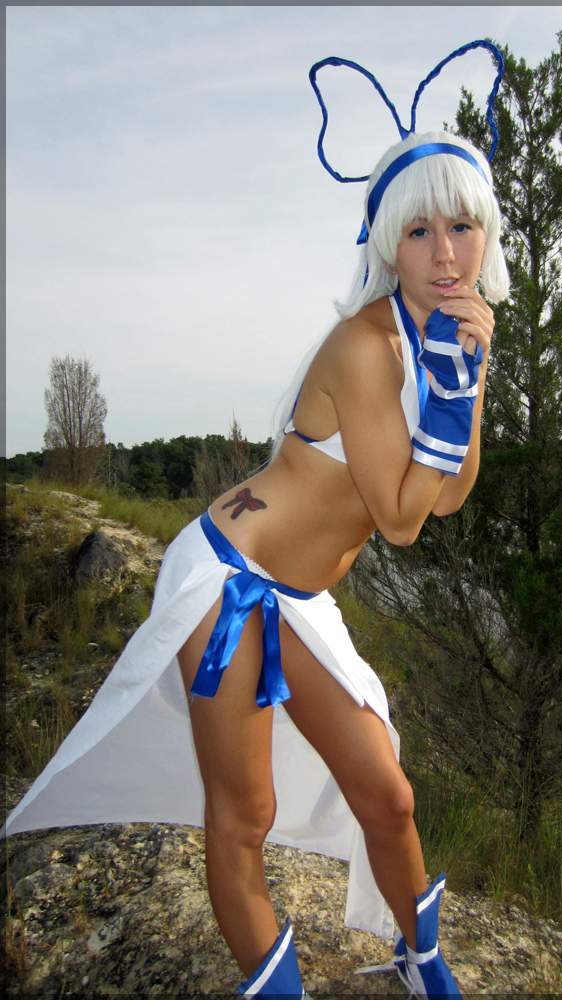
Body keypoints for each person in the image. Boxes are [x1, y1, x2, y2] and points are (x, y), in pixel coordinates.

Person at [3, 43, 509, 999]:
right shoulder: (365, 346)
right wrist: (454, 396)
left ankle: (424, 960)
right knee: (244, 815)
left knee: (388, 794)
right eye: (419, 232)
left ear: (486, 234)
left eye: (462, 227)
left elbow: (451, 490)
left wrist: (470, 383)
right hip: (226, 579)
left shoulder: (444, 338)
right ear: (386, 243)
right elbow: (404, 521)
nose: (445, 254)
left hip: (300, 595)